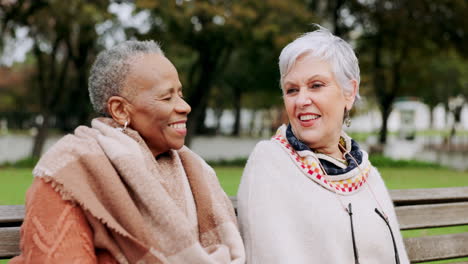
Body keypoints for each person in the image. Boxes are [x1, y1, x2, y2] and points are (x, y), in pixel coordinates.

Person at [11, 40, 245, 264]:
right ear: (120, 110)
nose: (185, 106)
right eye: (167, 96)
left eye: (180, 94)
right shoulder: (69, 172)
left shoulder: (196, 171)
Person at [237, 25, 409, 264]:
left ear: (349, 92)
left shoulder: (367, 174)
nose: (302, 100)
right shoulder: (270, 163)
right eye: (292, 90)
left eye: (316, 85)